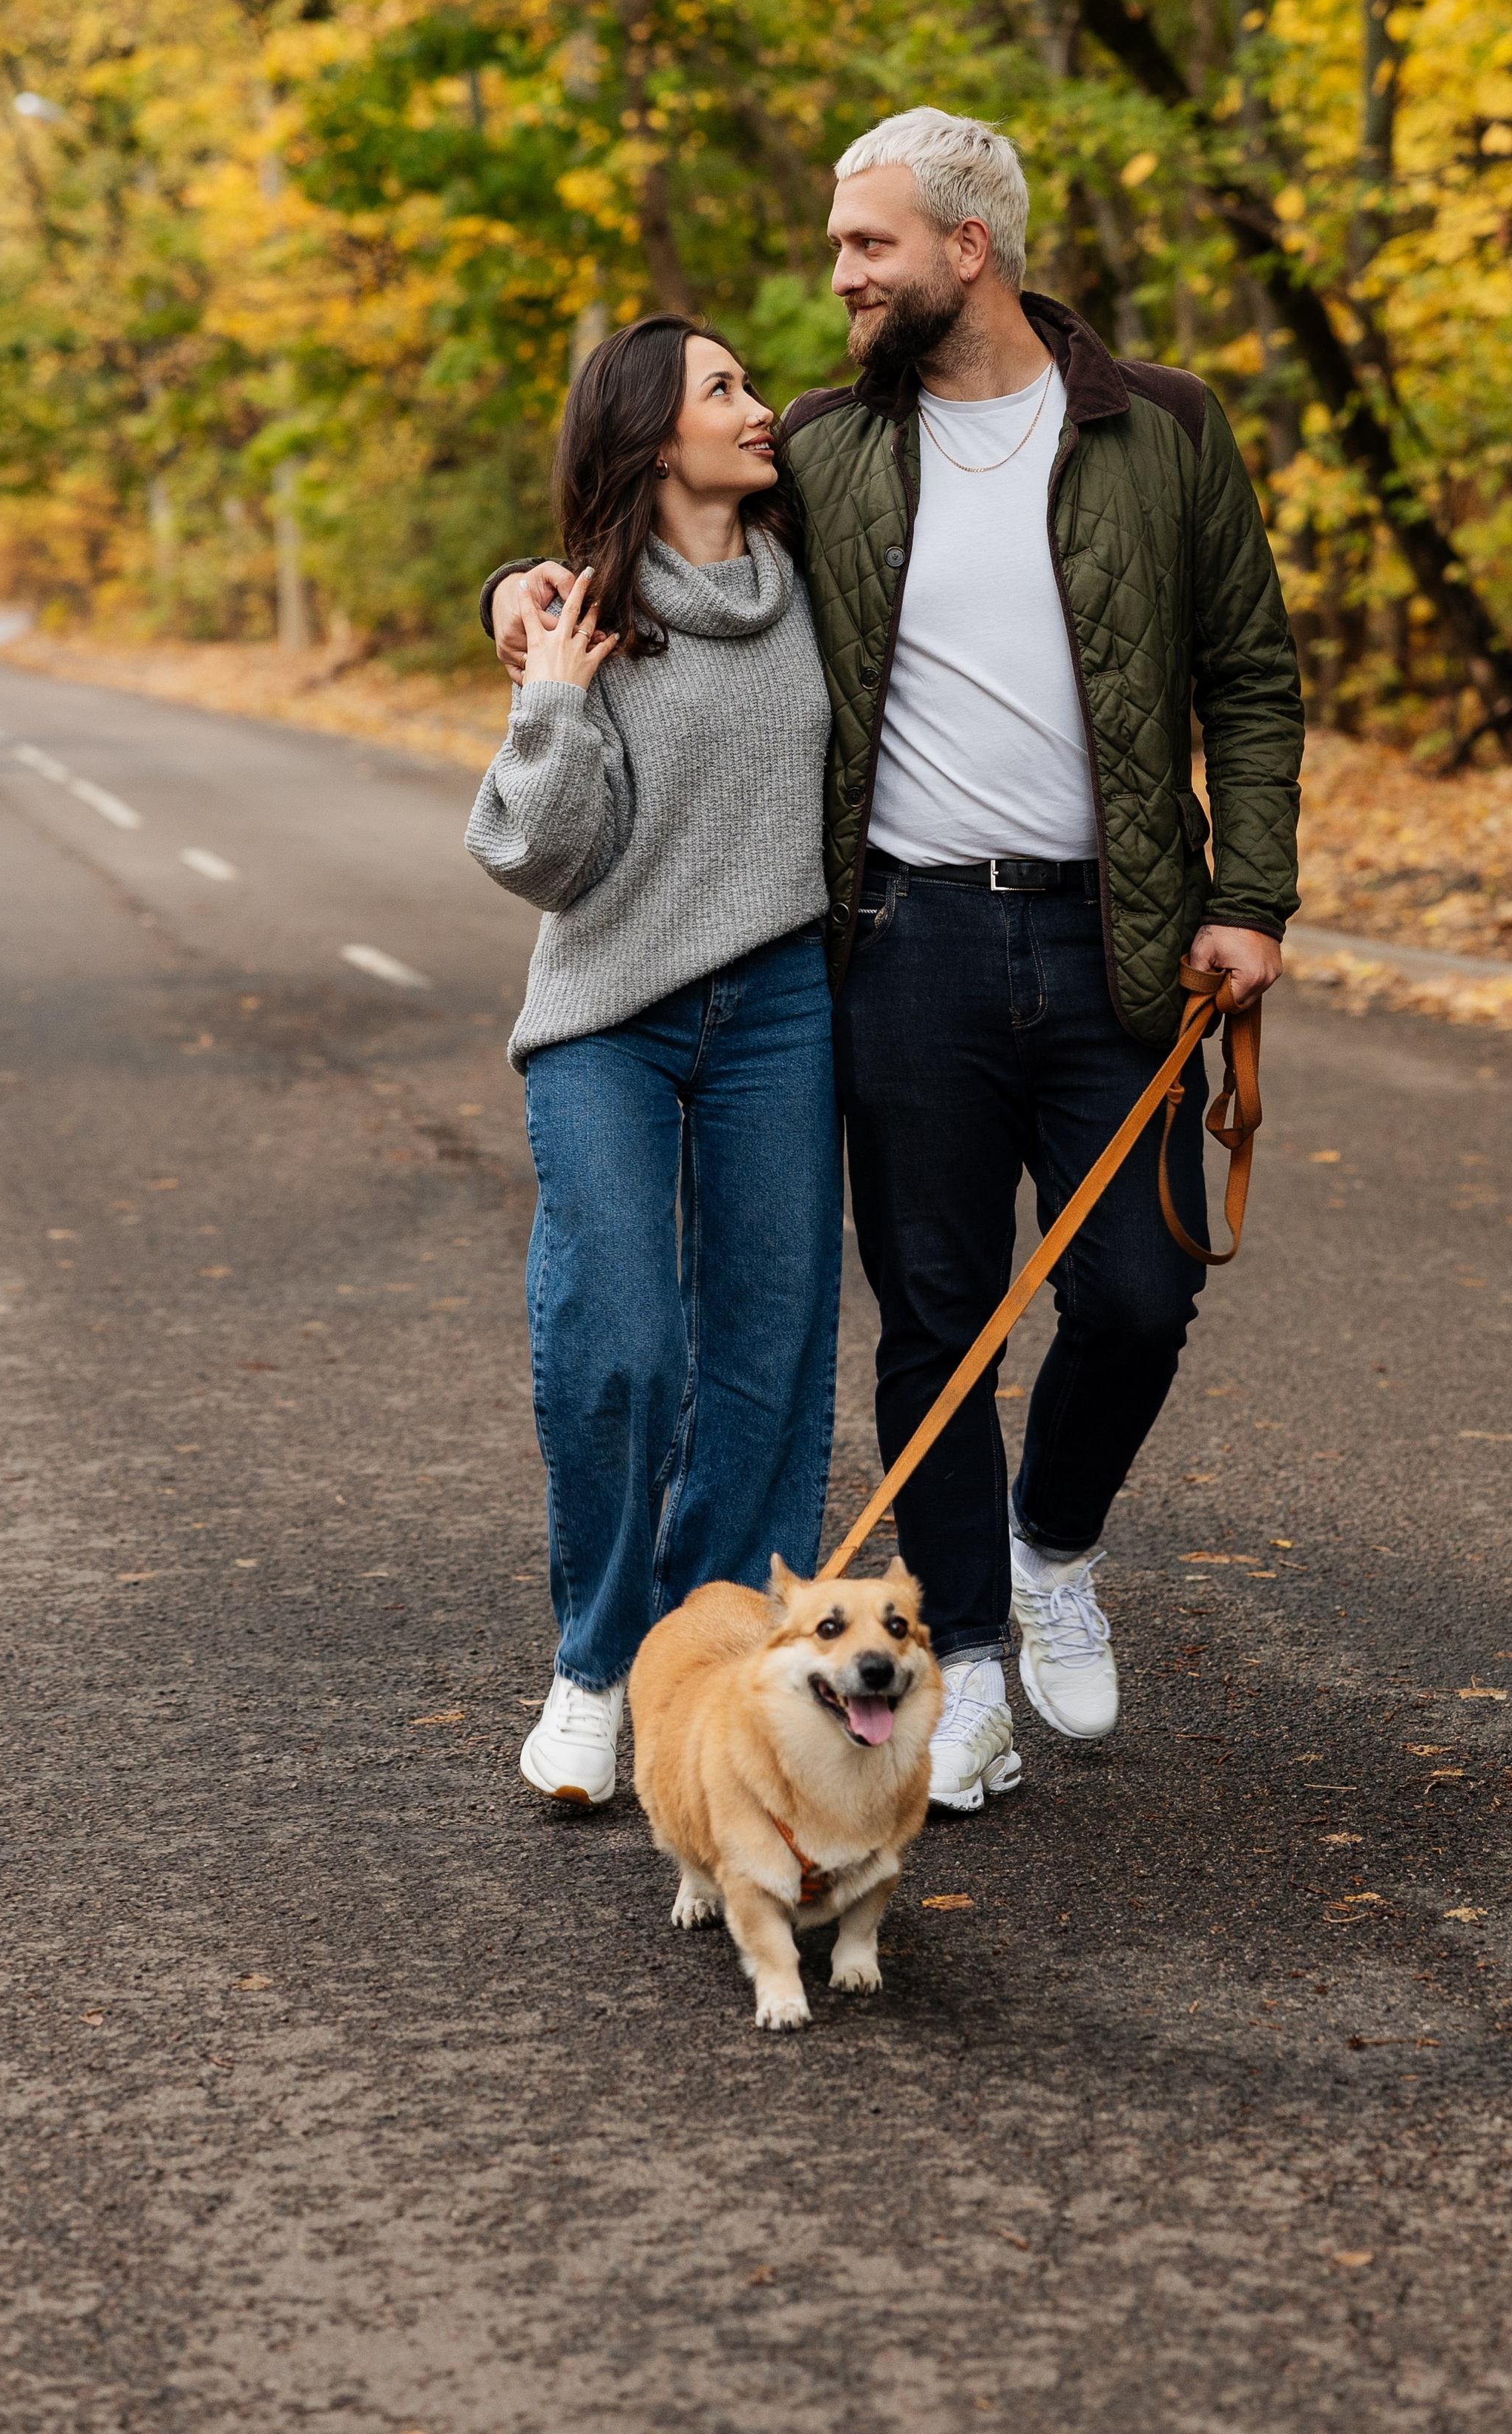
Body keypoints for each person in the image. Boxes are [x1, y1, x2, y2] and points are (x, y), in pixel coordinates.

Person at [484, 108, 1302, 1818]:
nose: (838, 276)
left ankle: (1051, 1546)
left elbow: (1248, 670)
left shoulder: (1157, 429)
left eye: (866, 246)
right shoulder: (828, 444)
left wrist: (1256, 894)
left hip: (1116, 937)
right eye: (841, 248)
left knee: (1135, 1292)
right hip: (900, 939)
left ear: (964, 247)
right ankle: (963, 1668)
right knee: (922, 1323)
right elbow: (627, 510)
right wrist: (513, 590)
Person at [465, 315, 841, 1809]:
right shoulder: (584, 612)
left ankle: (716, 1665)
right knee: (620, 1337)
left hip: (781, 1006)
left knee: (767, 1349)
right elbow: (535, 861)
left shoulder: (820, 582)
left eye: (748, 385)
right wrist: (548, 690)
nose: (757, 409)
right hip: (605, 1014)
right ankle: (594, 1661)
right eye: (723, 391)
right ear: (647, 434)